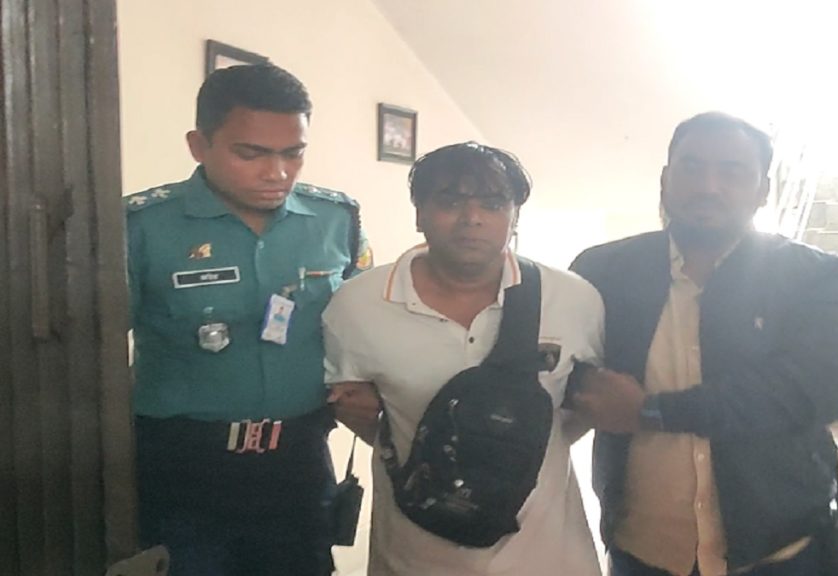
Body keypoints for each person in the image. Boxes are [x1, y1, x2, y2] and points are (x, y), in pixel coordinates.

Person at [569, 111, 838, 576]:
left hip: (778, 551)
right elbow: (568, 375)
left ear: (763, 190)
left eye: (732, 171)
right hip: (643, 551)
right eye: (692, 167)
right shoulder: (603, 271)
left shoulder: (810, 275)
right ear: (665, 180)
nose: (709, 186)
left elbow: (818, 388)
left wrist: (652, 412)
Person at [126, 63, 371, 576]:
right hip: (182, 469)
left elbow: (365, 326)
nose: (277, 172)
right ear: (199, 145)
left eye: (293, 152)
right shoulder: (141, 227)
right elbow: (83, 354)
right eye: (251, 153)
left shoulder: (335, 221)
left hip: (298, 464)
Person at [322, 142, 603, 576]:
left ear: (514, 216)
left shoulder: (573, 299)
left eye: (493, 203)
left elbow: (580, 411)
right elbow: (359, 413)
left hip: (548, 556)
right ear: (419, 213)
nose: (472, 218)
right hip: (413, 558)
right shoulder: (358, 305)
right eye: (450, 202)